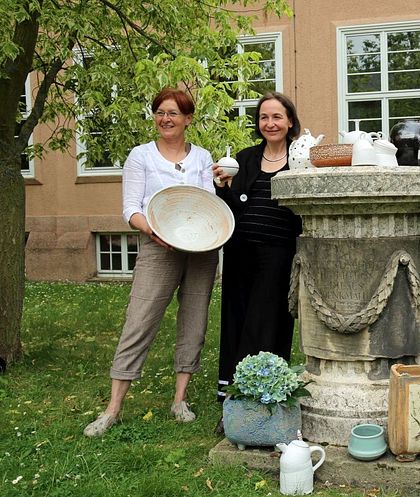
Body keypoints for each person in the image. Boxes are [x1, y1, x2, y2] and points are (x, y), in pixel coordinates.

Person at [84, 88, 219, 437]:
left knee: (195, 321)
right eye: (160, 112)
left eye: (173, 113)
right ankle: (113, 408)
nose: (165, 119)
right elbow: (131, 208)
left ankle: (180, 399)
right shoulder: (141, 156)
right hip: (158, 247)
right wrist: (154, 232)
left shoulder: (202, 157)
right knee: (139, 320)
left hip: (202, 249)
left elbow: (209, 201)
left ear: (188, 119)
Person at [212, 92, 302, 432]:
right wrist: (222, 187)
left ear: (290, 121)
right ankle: (231, 401)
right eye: (264, 117)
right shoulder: (246, 159)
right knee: (236, 322)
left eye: (277, 117)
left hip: (278, 254)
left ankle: (260, 397)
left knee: (265, 324)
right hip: (240, 252)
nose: (270, 123)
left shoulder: (300, 159)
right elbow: (233, 207)